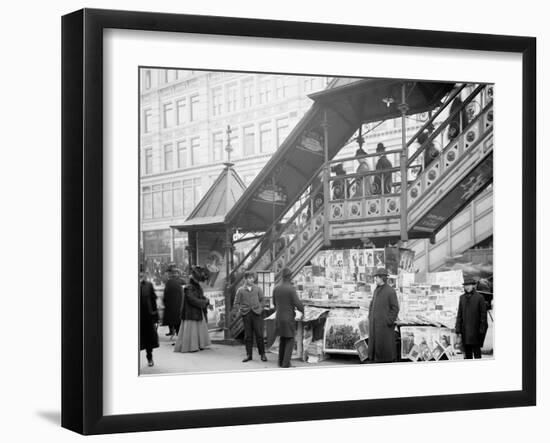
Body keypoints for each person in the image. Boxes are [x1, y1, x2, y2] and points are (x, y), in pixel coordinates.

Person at [174, 265, 213, 353]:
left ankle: (198, 345)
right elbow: (192, 300)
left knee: (197, 329)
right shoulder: (189, 287)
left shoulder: (196, 286)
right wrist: (204, 302)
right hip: (190, 313)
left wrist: (207, 302)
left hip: (196, 312)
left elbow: (199, 296)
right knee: (193, 330)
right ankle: (192, 346)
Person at [273, 267, 304, 368]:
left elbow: (274, 303)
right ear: (289, 276)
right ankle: (286, 364)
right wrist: (303, 311)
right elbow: (298, 303)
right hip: (288, 318)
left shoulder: (276, 288)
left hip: (279, 317)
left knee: (283, 339)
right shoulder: (291, 289)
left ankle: (280, 362)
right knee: (290, 339)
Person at [367, 268, 399, 363]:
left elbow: (395, 308)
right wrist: (370, 316)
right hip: (374, 324)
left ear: (382, 278)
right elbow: (372, 304)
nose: (375, 279)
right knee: (376, 345)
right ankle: (375, 359)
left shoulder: (390, 291)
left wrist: (388, 321)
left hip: (384, 326)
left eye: (376, 277)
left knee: (384, 348)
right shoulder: (376, 290)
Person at [234, 270, 267, 362]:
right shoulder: (240, 290)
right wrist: (241, 310)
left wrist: (260, 309)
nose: (251, 280)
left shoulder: (257, 289)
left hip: (257, 314)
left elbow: (263, 300)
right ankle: (249, 355)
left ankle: (262, 354)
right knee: (248, 336)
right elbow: (236, 303)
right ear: (245, 279)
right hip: (246, 315)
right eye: (249, 278)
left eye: (252, 278)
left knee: (259, 335)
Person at [454, 276, 488, 359]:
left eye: (469, 285)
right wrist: (458, 329)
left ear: (473, 285)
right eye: (466, 285)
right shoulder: (461, 298)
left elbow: (483, 315)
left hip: (476, 331)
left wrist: (481, 330)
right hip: (465, 331)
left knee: (477, 353)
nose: (467, 287)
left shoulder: (479, 297)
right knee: (467, 354)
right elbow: (459, 314)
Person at [140, 272, 159, 367]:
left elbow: (153, 301)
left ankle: (149, 358)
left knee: (148, 340)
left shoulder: (148, 285)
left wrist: (156, 317)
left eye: (141, 274)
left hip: (147, 317)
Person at [162, 267, 184, 338]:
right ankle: (178, 336)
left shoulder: (171, 283)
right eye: (173, 273)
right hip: (177, 307)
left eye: (175, 273)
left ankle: (179, 338)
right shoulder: (177, 282)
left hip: (175, 307)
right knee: (177, 324)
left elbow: (165, 297)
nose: (174, 275)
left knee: (177, 324)